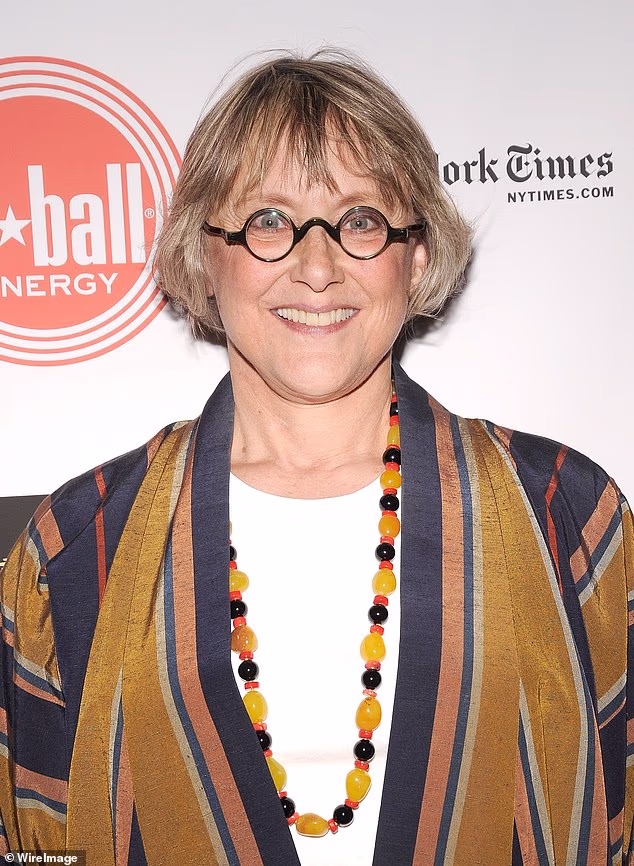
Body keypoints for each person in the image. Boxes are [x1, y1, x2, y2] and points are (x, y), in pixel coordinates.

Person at [0, 50, 632, 866]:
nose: (318, 265)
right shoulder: (77, 548)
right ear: (204, 254)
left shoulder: (566, 515)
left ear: (416, 255)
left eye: (360, 220)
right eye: (269, 220)